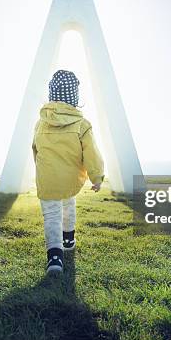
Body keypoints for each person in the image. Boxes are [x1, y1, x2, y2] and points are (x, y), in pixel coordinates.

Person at [32, 70, 104, 274]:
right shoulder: (82, 124)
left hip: (47, 178)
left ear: (51, 94)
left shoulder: (41, 122)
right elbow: (92, 154)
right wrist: (96, 177)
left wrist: (39, 170)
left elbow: (35, 148)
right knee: (68, 205)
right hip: (70, 178)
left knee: (51, 215)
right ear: (75, 96)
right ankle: (69, 239)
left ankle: (54, 258)